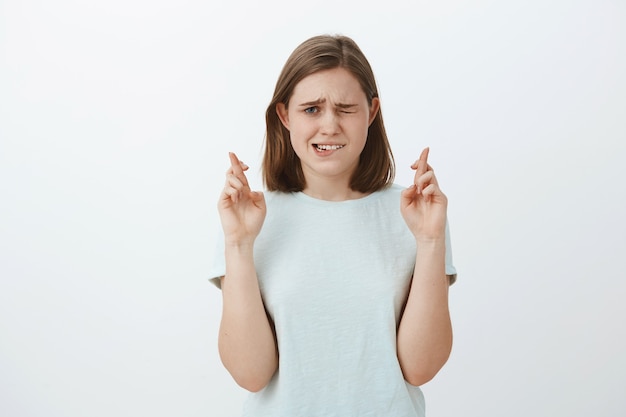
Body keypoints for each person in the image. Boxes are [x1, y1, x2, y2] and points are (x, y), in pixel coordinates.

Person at [209, 34, 457, 417]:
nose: (329, 126)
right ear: (284, 115)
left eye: (345, 109)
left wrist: (429, 240)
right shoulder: (248, 218)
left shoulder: (415, 213)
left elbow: (420, 367)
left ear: (371, 112)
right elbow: (251, 374)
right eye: (311, 109)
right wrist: (239, 245)